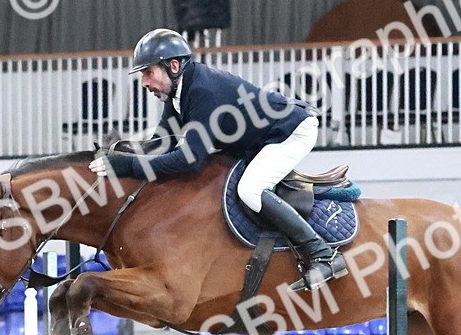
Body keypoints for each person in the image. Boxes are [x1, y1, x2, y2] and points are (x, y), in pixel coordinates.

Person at [90, 29, 348, 292]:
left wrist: (129, 166)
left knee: (250, 190)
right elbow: (163, 142)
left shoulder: (203, 91)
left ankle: (323, 254)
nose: (144, 82)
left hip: (291, 130)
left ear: (174, 65)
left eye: (148, 72)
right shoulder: (179, 92)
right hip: (260, 138)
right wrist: (121, 153)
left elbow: (188, 161)